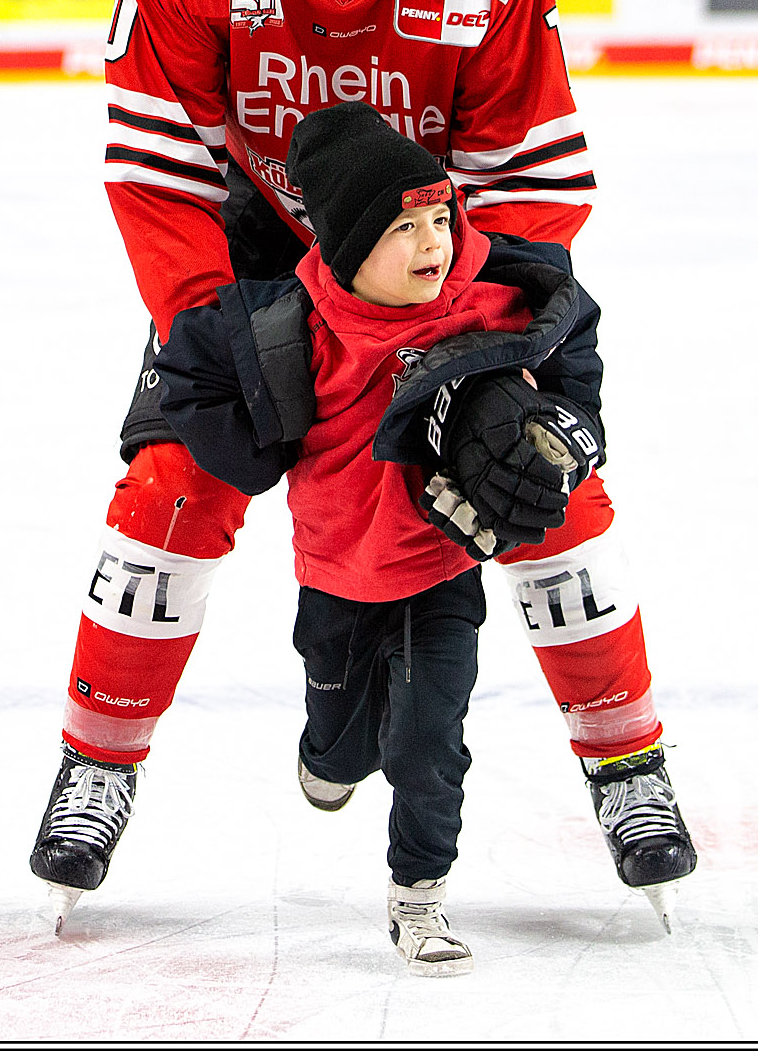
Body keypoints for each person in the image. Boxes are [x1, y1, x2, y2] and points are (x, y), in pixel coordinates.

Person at [29, 0, 695, 934]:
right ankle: (96, 768)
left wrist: (492, 349)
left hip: (436, 267)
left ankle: (629, 766)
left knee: (542, 479)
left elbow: (534, 184)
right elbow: (156, 166)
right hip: (252, 266)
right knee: (171, 489)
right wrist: (205, 323)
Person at [153, 101, 610, 973]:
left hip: (441, 569)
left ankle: (420, 898)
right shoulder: (289, 322)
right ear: (349, 245)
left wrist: (571, 426)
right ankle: (328, 748)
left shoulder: (486, 296)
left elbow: (572, 328)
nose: (435, 241)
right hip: (336, 575)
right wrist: (240, 449)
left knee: (429, 742)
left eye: (441, 216)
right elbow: (183, 367)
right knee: (343, 742)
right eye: (406, 227)